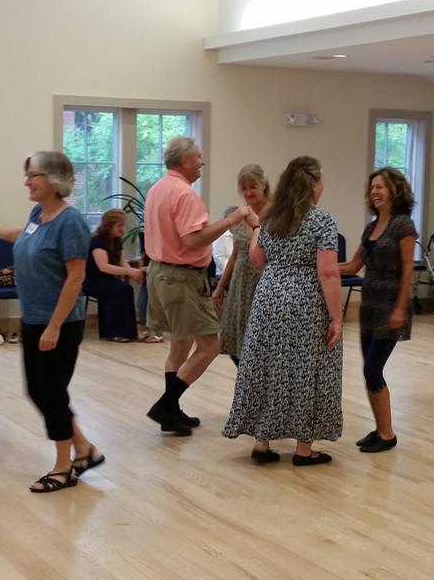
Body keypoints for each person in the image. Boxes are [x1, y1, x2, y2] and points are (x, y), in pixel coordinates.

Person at [0, 151, 103, 492]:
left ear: (54, 180)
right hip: (34, 319)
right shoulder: (39, 214)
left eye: (33, 176)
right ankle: (85, 448)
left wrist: (55, 326)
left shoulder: (70, 222)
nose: (27, 181)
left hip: (59, 322)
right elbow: (27, 235)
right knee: (38, 391)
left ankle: (64, 467)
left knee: (52, 392)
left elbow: (76, 277)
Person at [222, 156, 342, 466]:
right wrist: (337, 317)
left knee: (267, 366)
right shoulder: (321, 220)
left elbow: (256, 258)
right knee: (309, 369)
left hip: (268, 297)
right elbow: (328, 273)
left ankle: (262, 443)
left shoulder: (271, 218)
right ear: (314, 185)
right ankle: (304, 450)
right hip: (305, 301)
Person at [142, 137, 253, 435]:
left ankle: (171, 412)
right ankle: (167, 404)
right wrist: (231, 219)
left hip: (160, 273)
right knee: (211, 345)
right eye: (199, 157)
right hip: (180, 278)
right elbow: (193, 240)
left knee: (181, 342)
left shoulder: (157, 188)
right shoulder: (184, 194)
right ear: (185, 162)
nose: (202, 162)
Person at [337, 167, 415, 453]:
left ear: (395, 190)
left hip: (391, 306)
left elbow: (408, 269)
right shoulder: (371, 227)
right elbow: (353, 266)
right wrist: (319, 266)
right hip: (370, 306)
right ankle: (379, 429)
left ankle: (388, 434)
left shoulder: (403, 225)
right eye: (372, 188)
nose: (375, 192)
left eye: (381, 187)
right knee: (369, 371)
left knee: (373, 368)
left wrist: (400, 308)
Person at [212, 164, 271, 365]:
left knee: (260, 344)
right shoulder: (239, 215)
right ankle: (249, 388)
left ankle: (258, 390)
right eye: (243, 188)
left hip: (263, 282)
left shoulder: (275, 214)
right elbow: (236, 254)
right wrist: (220, 287)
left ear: (263, 185)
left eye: (252, 186)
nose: (248, 192)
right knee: (236, 345)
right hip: (240, 283)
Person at [84, 209, 144, 342]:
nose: (122, 229)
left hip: (106, 279)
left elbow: (122, 263)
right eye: (120, 225)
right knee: (120, 289)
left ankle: (127, 332)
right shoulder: (97, 241)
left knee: (125, 288)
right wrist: (129, 272)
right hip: (91, 280)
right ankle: (114, 332)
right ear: (109, 225)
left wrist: (134, 273)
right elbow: (103, 267)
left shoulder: (117, 240)